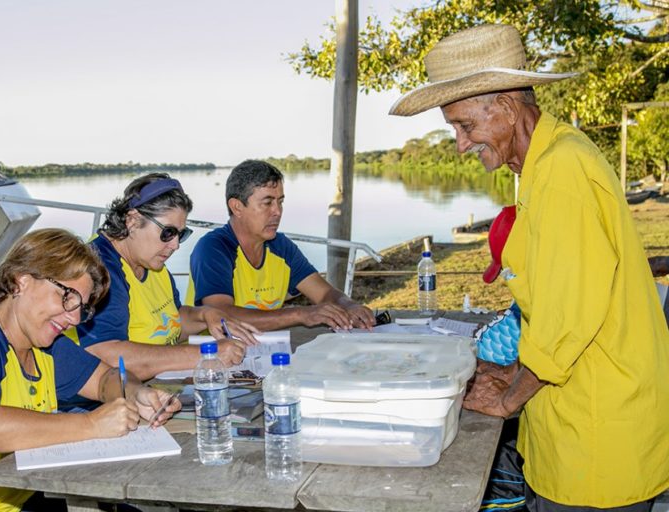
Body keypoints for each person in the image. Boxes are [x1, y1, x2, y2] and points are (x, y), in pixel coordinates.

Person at [390, 24, 669, 510]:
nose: (460, 144)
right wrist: (514, 371)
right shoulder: (541, 165)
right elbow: (562, 296)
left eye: (465, 126)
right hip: (574, 420)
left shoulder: (561, 170)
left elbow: (567, 316)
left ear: (504, 104)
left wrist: (506, 398)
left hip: (597, 440)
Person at [0, 228, 181, 512]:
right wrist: (92, 424)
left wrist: (135, 393)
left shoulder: (46, 347)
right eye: (67, 297)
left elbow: (105, 378)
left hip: (18, 498)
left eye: (81, 308)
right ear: (21, 281)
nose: (74, 318)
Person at [69, 173, 258, 381]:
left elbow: (170, 322)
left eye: (180, 234)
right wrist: (207, 354)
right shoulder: (99, 269)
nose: (175, 245)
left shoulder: (150, 260)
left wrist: (206, 316)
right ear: (132, 221)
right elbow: (108, 357)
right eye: (167, 233)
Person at [186, 159, 375, 331]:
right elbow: (221, 314)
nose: (277, 211)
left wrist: (349, 306)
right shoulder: (213, 248)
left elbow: (324, 293)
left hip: (263, 352)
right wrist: (302, 314)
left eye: (280, 202)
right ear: (237, 207)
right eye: (267, 203)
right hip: (213, 358)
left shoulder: (281, 247)